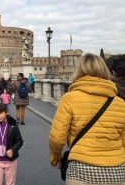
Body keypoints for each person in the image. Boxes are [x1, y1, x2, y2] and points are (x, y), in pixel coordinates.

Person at [49, 53, 125, 185]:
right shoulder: (120, 102)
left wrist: (55, 158)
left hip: (81, 170)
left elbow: (57, 137)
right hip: (116, 171)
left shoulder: (69, 98)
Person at [0, 103, 23, 185]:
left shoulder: (13, 125)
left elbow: (20, 141)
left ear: (6, 112)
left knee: (10, 183)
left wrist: (13, 150)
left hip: (10, 161)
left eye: (0, 113)